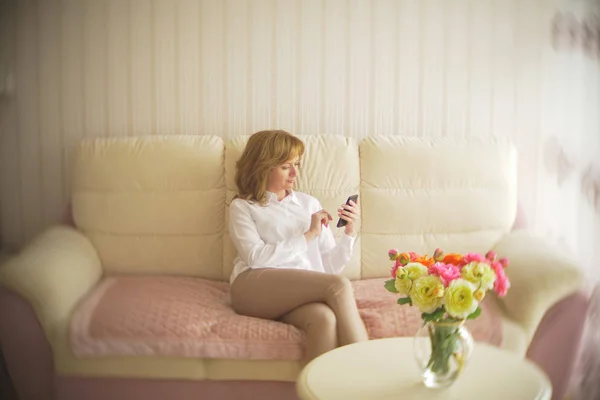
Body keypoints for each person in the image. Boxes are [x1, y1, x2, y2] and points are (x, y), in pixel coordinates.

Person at [228, 130, 369, 365]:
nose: (295, 173)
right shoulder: (243, 207)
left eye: (296, 165)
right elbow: (255, 257)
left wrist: (349, 232)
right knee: (339, 286)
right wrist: (309, 234)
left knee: (324, 319)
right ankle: (370, 372)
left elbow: (328, 266)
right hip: (252, 286)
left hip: (295, 291)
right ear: (263, 166)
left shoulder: (309, 204)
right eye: (285, 167)